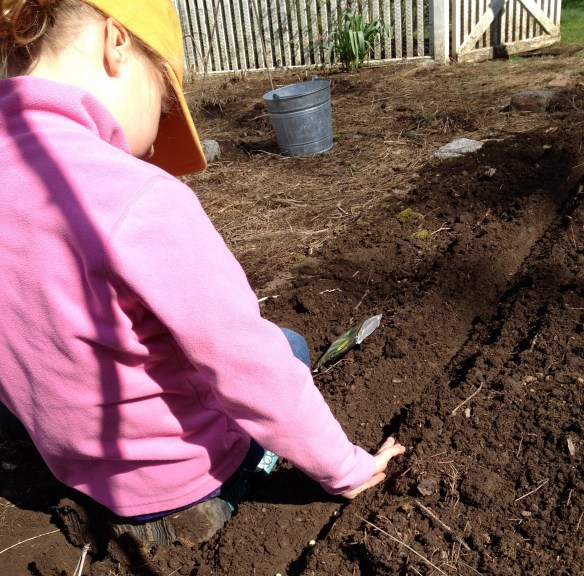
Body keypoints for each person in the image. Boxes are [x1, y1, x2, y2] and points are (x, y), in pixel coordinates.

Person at [0, 0, 405, 547]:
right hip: (175, 479)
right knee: (290, 349)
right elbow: (244, 363)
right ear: (116, 44)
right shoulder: (135, 196)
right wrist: (345, 468)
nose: (149, 143)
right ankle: (211, 498)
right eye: (165, 100)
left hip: (73, 465)